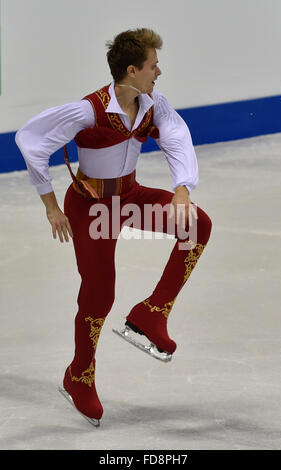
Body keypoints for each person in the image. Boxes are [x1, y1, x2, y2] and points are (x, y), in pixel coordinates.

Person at [15, 28, 212, 427]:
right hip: (90, 209)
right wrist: (50, 205)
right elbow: (31, 140)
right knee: (99, 293)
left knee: (197, 225)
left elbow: (176, 135)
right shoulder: (89, 110)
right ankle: (79, 376)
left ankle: (152, 313)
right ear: (131, 70)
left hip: (129, 197)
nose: (159, 71)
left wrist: (181, 188)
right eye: (153, 65)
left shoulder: (152, 105)